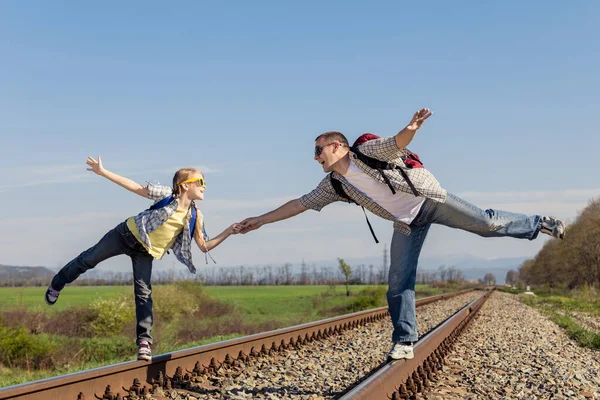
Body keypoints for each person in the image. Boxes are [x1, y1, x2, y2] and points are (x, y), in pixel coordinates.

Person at [239, 108, 566, 360]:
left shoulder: (366, 151)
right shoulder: (334, 184)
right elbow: (300, 203)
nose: (315, 157)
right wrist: (260, 220)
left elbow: (395, 143)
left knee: (487, 224)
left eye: (318, 150)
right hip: (406, 222)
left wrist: (410, 129)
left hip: (431, 200)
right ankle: (405, 341)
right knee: (398, 282)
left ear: (337, 146)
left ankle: (540, 223)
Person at [45, 156, 241, 361]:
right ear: (184, 186)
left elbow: (204, 246)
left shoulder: (195, 216)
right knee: (88, 259)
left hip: (145, 252)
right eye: (200, 182)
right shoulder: (167, 194)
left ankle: (144, 343)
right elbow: (135, 187)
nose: (204, 186)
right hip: (125, 235)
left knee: (144, 294)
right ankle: (57, 284)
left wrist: (228, 231)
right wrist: (103, 172)